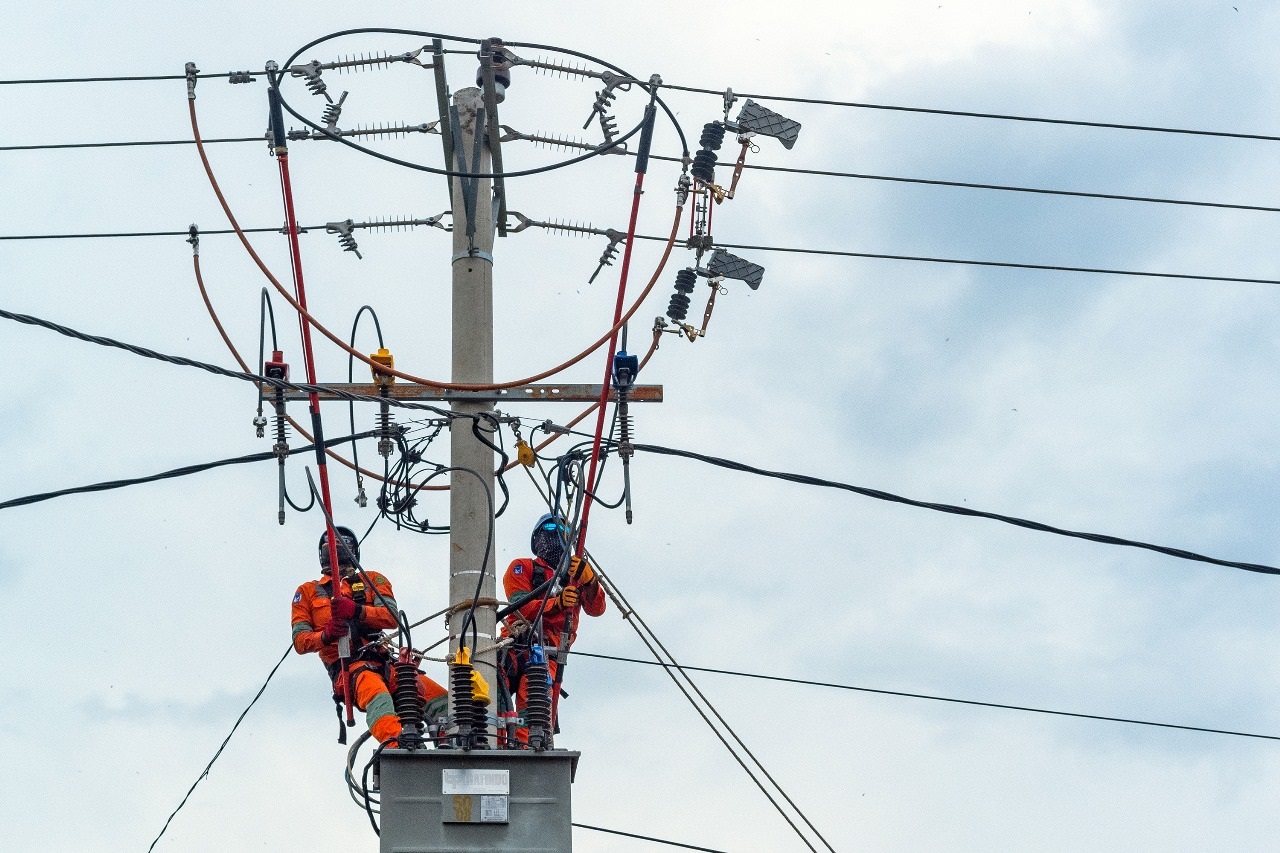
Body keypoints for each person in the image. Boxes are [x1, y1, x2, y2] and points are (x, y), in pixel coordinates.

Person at [291, 525, 447, 745]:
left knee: (440, 699)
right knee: (378, 696)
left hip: (384, 661)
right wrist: (326, 636)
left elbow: (392, 617)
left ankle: (454, 743)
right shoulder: (307, 592)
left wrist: (357, 611)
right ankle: (398, 745)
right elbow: (299, 641)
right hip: (349, 668)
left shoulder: (372, 580)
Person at [499, 513, 606, 743]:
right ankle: (493, 744)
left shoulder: (575, 577)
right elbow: (520, 607)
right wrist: (556, 603)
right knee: (496, 686)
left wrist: (590, 581)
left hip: (547, 652)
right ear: (537, 540)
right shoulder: (522, 567)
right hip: (515, 644)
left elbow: (597, 609)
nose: (553, 535)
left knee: (535, 702)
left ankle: (528, 749)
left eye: (559, 530)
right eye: (548, 529)